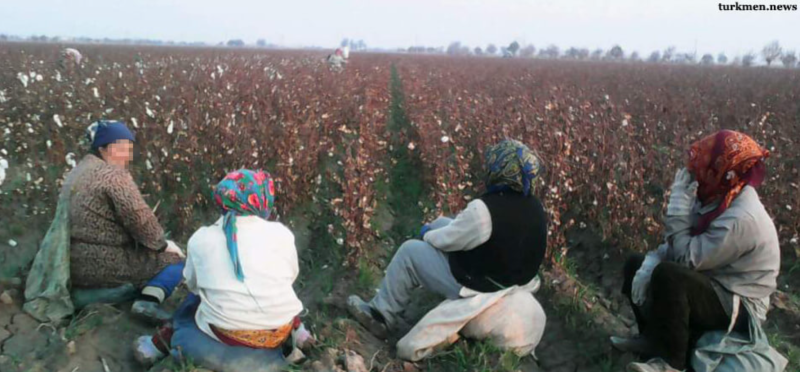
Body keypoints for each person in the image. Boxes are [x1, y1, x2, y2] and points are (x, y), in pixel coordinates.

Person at [614, 130, 784, 372]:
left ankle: (672, 363)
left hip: (739, 300)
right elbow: (677, 245)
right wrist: (649, 263)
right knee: (636, 264)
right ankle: (651, 340)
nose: (696, 172)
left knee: (671, 276)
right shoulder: (719, 196)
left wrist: (677, 211)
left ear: (725, 170)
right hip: (714, 277)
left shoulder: (741, 218)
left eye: (706, 167)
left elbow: (687, 259)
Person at [347, 139, 548, 340]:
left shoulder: (485, 210)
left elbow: (446, 241)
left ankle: (381, 315)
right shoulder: (536, 209)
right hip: (510, 281)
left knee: (410, 252)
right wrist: (441, 226)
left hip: (478, 285)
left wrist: (426, 233)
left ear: (499, 171)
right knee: (445, 222)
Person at [134, 169, 312, 372]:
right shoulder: (282, 234)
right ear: (261, 200)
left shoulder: (201, 239)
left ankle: (156, 345)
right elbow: (290, 276)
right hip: (277, 333)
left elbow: (193, 286)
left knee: (193, 301)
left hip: (225, 335)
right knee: (278, 292)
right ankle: (299, 335)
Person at [68, 120, 185, 321]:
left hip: (73, 261)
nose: (127, 155)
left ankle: (90, 295)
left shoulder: (77, 172)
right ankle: (147, 301)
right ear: (103, 148)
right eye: (121, 149)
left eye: (129, 149)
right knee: (177, 262)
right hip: (105, 264)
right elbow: (141, 222)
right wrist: (164, 245)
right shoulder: (113, 176)